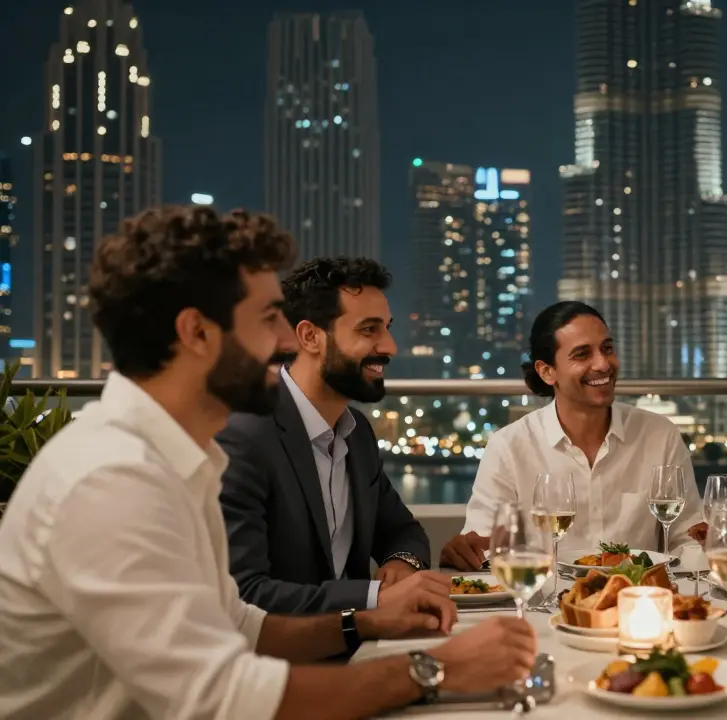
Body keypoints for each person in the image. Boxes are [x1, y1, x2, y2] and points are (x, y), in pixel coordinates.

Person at [0, 206, 537, 720]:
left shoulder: (181, 457)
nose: (285, 341)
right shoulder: (111, 479)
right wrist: (437, 669)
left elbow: (242, 624)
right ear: (197, 332)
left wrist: (372, 621)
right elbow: (222, 699)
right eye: (267, 319)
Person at [218, 257, 435, 614]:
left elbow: (401, 530)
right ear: (309, 336)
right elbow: (245, 595)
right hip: (282, 663)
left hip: (356, 644)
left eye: (388, 328)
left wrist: (402, 563)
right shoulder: (245, 438)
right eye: (369, 330)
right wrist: (373, 599)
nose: (390, 346)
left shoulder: (357, 432)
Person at [440, 301, 703, 571]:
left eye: (607, 348)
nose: (602, 364)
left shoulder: (660, 435)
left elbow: (687, 538)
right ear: (547, 372)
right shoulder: (508, 447)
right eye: (582, 354)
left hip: (636, 601)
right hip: (543, 605)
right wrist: (469, 551)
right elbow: (483, 548)